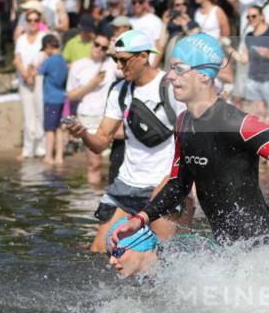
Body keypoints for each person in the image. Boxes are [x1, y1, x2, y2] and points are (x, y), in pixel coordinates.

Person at [106, 33, 269, 249]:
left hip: (264, 246)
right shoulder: (183, 122)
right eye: (171, 68)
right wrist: (141, 219)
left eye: (179, 69)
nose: (170, 77)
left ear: (204, 75)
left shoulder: (236, 123)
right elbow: (178, 185)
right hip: (229, 250)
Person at [64, 29, 183, 252]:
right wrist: (83, 134)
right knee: (99, 251)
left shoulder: (171, 87)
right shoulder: (119, 91)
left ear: (144, 56)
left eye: (123, 60)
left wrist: (179, 184)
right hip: (125, 185)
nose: (119, 66)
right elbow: (101, 142)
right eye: (115, 60)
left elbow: (193, 140)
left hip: (162, 185)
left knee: (162, 256)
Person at [66, 32, 117, 183]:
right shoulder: (78, 65)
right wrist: (92, 85)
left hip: (109, 118)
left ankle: (108, 193)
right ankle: (93, 195)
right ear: (92, 43)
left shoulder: (112, 64)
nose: (99, 49)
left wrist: (115, 51)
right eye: (97, 44)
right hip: (88, 117)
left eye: (104, 47)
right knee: (94, 164)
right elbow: (71, 96)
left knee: (115, 164)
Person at [235, 5, 269, 120]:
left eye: (254, 16)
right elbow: (244, 59)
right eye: (248, 17)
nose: (251, 19)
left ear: (261, 16)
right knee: (258, 114)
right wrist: (228, 49)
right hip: (253, 79)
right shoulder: (249, 36)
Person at [14, 8, 46, 159]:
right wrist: (25, 74)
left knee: (40, 112)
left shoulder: (44, 37)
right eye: (30, 20)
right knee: (27, 113)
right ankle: (28, 149)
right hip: (24, 78)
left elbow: (45, 56)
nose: (33, 23)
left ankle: (41, 147)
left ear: (40, 22)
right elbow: (17, 59)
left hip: (39, 78)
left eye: (36, 20)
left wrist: (32, 73)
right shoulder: (21, 39)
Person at [37, 34, 68, 165]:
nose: (45, 52)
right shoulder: (63, 60)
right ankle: (59, 156)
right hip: (62, 97)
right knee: (59, 128)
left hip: (51, 99)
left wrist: (41, 61)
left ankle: (49, 156)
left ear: (48, 46)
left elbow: (38, 71)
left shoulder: (49, 60)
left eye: (44, 49)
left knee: (49, 129)